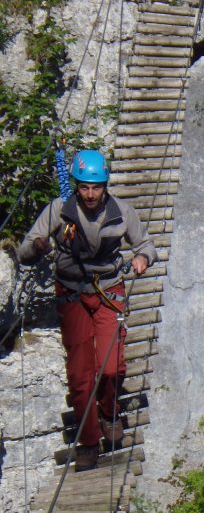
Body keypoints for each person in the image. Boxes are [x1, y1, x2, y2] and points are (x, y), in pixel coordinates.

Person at [17, 150, 157, 470]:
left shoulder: (121, 212)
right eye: (84, 188)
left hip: (108, 291)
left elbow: (145, 244)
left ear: (105, 185)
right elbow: (26, 249)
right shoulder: (59, 211)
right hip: (72, 294)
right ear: (76, 186)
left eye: (96, 188)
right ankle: (90, 441)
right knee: (80, 375)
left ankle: (109, 411)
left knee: (111, 367)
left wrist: (142, 259)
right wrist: (37, 248)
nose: (90, 195)